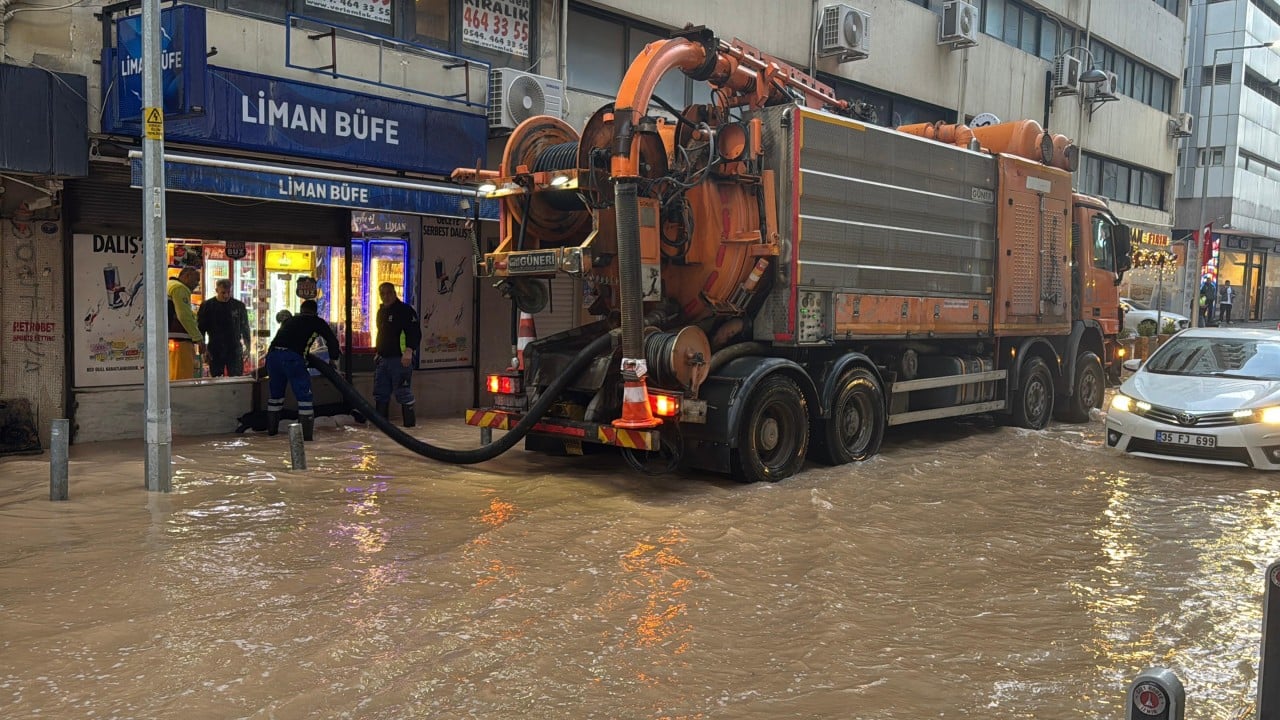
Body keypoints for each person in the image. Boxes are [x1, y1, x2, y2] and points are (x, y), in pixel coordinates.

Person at [265, 299, 341, 441]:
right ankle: (306, 439)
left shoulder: (290, 321)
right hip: (293, 358)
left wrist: (266, 367)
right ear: (315, 311)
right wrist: (333, 360)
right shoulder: (316, 321)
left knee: (275, 397)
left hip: (273, 356)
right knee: (304, 398)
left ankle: (272, 434)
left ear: (301, 309)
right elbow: (332, 340)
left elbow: (275, 341)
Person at [374, 282, 422, 428]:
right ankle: (382, 428)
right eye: (382, 294)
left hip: (400, 360)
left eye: (389, 293)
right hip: (383, 359)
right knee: (380, 392)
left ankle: (409, 428)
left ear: (395, 293)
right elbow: (382, 334)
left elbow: (415, 333)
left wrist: (409, 351)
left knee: (403, 392)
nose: (386, 296)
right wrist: (378, 352)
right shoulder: (381, 312)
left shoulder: (405, 310)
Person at [197, 279, 252, 377]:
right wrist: (203, 348)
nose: (226, 295)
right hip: (215, 348)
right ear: (216, 290)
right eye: (223, 292)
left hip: (234, 348)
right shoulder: (207, 306)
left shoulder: (238, 306)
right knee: (216, 379)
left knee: (236, 378)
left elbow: (245, 327)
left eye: (228, 292)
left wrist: (248, 346)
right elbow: (201, 328)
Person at [167, 266, 203, 380]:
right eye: (196, 280)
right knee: (182, 377)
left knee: (173, 374)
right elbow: (183, 315)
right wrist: (198, 338)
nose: (197, 284)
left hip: (171, 339)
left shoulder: (169, 285)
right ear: (187, 276)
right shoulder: (180, 288)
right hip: (180, 339)